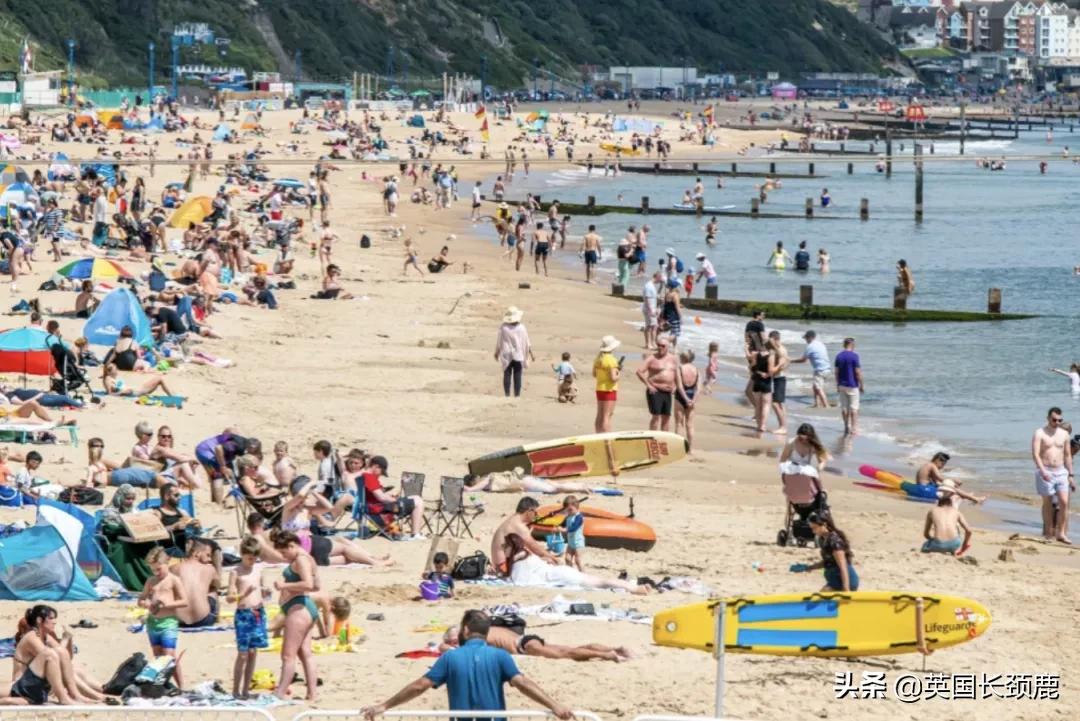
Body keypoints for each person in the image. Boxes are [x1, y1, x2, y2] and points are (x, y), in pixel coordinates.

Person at [361, 610, 573, 721]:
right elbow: (523, 683)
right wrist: (554, 705)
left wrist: (384, 706)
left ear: (465, 631)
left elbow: (420, 686)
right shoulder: (500, 656)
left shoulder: (450, 658)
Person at [438, 612, 632, 663]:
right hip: (527, 639)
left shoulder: (476, 635)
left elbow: (453, 650)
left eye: (454, 639)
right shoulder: (485, 627)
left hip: (524, 645)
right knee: (569, 648)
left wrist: (445, 646)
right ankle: (613, 648)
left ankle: (610, 655)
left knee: (568, 654)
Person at [504, 532, 650, 594]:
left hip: (561, 576)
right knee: (599, 581)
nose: (504, 550)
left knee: (600, 583)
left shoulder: (520, 561)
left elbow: (520, 582)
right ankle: (633, 586)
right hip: (562, 571)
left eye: (505, 547)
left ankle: (634, 589)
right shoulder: (527, 554)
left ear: (512, 546)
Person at [272, 530, 320, 701]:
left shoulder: (301, 559)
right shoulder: (308, 559)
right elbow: (317, 585)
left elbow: (309, 584)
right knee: (305, 653)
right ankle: (312, 693)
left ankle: (280, 693)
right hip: (305, 607)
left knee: (288, 655)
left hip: (299, 608)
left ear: (292, 545)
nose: (284, 556)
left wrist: (285, 585)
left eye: (285, 552)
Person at [139, 547, 188, 689]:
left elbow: (184, 601)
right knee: (158, 656)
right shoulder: (151, 581)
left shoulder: (174, 580)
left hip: (169, 621)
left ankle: (181, 686)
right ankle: (164, 684)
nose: (156, 573)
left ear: (167, 563)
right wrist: (146, 603)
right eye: (153, 569)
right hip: (153, 622)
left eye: (159, 569)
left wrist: (168, 604)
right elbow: (141, 598)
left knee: (170, 656)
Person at [228, 536, 268, 698]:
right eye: (249, 557)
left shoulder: (258, 570)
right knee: (243, 653)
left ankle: (246, 689)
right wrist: (243, 594)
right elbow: (229, 598)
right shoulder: (235, 572)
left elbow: (263, 592)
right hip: (243, 615)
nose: (252, 561)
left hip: (258, 613)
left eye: (255, 558)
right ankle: (236, 689)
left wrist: (266, 593)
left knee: (253, 652)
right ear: (242, 554)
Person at [1033, 406, 1074, 543]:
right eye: (1054, 420)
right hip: (1045, 470)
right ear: (1048, 418)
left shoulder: (1064, 434)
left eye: (1059, 420)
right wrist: (1042, 471)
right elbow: (1035, 454)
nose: (1056, 422)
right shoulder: (1040, 433)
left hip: (1061, 471)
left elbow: (1068, 455)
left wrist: (1071, 475)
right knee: (1048, 504)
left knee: (1064, 502)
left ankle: (1061, 533)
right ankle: (1048, 534)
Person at [790, 511, 859, 592]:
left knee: (821, 598)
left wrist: (846, 590)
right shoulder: (823, 539)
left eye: (814, 528)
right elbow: (828, 561)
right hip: (834, 581)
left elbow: (842, 566)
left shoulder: (834, 541)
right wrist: (809, 567)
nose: (813, 531)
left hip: (845, 582)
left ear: (824, 524)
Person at [361, 455, 426, 540]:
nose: (380, 475)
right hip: (380, 509)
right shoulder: (369, 477)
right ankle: (415, 534)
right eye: (381, 472)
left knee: (415, 497)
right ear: (376, 466)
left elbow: (378, 495)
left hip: (375, 507)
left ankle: (416, 533)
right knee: (418, 501)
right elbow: (381, 498)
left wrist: (390, 496)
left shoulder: (364, 476)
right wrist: (394, 499)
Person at [491, 497, 557, 574]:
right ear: (529, 511)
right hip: (504, 568)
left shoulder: (512, 520)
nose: (536, 516)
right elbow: (536, 549)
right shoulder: (518, 525)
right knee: (548, 560)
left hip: (500, 566)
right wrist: (554, 559)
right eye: (535, 513)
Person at [636, 336, 679, 432]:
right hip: (655, 390)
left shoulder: (673, 359)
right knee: (656, 416)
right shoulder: (652, 358)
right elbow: (639, 371)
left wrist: (676, 386)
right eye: (658, 345)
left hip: (667, 392)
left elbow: (677, 373)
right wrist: (649, 385)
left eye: (663, 346)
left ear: (668, 347)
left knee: (666, 417)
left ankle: (664, 439)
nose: (660, 347)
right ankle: (652, 437)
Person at [922, 480, 973, 556]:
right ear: (951, 502)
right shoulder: (956, 512)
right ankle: (952, 551)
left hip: (938, 545)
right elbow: (969, 531)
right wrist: (964, 544)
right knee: (956, 529)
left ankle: (940, 547)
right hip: (955, 544)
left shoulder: (932, 511)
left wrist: (932, 539)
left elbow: (926, 534)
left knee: (925, 546)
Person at [494, 306, 533, 398]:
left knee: (507, 374)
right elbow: (526, 342)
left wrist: (497, 352)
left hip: (506, 354)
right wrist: (531, 353)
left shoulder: (503, 327)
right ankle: (517, 395)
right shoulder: (521, 328)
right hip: (518, 354)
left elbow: (499, 341)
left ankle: (507, 394)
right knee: (517, 374)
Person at [792, 330, 831, 408]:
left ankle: (826, 405)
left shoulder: (810, 346)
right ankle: (817, 403)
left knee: (818, 388)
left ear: (810, 337)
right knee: (815, 386)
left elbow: (803, 360)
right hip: (828, 369)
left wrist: (791, 361)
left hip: (820, 370)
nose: (805, 340)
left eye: (806, 338)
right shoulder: (821, 344)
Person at [835, 337, 863, 436]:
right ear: (852, 345)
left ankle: (846, 426)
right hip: (853, 385)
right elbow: (858, 372)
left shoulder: (839, 356)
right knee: (854, 408)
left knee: (844, 407)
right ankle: (854, 429)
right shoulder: (855, 356)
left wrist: (837, 384)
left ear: (844, 344)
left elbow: (836, 372)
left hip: (842, 385)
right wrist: (862, 385)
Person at [593, 335, 621, 433]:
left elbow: (594, 374)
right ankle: (606, 437)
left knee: (600, 414)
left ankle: (598, 434)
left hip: (600, 388)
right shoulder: (612, 360)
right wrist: (618, 373)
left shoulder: (598, 358)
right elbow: (613, 378)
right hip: (609, 389)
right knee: (607, 415)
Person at [674, 349, 699, 450]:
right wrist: (693, 400)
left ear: (683, 358)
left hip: (681, 397)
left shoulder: (680, 369)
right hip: (691, 396)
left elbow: (679, 386)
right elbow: (698, 388)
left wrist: (685, 398)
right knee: (690, 424)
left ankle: (677, 448)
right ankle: (690, 448)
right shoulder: (696, 370)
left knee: (679, 423)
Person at [766, 330, 789, 435]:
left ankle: (783, 427)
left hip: (780, 378)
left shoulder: (781, 350)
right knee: (780, 404)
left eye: (771, 341)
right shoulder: (779, 349)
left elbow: (783, 365)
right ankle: (783, 426)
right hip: (779, 378)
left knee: (775, 403)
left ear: (775, 339)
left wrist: (770, 372)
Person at [561, 496, 586, 572]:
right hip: (571, 542)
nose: (569, 512)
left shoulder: (579, 517)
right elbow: (562, 524)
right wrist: (557, 528)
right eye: (567, 510)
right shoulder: (568, 516)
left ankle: (584, 576)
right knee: (567, 559)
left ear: (576, 507)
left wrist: (565, 529)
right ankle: (571, 574)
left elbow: (574, 528)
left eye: (570, 510)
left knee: (578, 561)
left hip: (578, 542)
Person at [641, 270, 662, 349]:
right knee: (650, 326)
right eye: (660, 279)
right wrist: (651, 311)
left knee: (653, 326)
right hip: (649, 309)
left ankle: (651, 343)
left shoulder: (651, 285)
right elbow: (647, 299)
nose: (660, 281)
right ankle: (649, 343)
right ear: (657, 277)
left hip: (651, 308)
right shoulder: (649, 286)